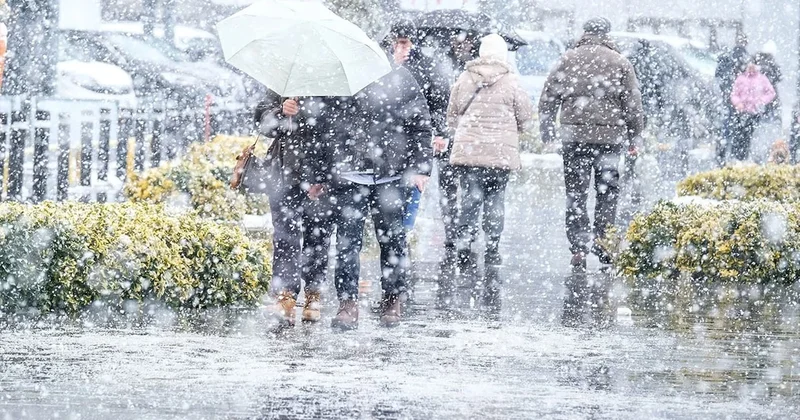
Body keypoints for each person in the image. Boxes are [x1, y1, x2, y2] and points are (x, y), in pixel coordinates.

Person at [307, 66, 433, 330]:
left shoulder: (399, 77)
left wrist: (420, 168)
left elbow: (420, 125)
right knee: (347, 243)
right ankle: (347, 303)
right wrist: (320, 173)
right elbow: (323, 128)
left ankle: (392, 298)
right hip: (349, 177)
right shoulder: (338, 79)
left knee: (393, 241)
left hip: (391, 176)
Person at [538, 17, 644, 272]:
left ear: (585, 32)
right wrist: (634, 137)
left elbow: (548, 97)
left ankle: (578, 248)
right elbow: (632, 103)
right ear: (607, 34)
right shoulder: (620, 62)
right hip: (609, 139)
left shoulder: (568, 59)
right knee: (607, 194)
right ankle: (605, 246)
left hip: (574, 139)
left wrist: (548, 133)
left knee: (576, 194)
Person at [445, 34, 533, 306]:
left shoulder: (465, 77)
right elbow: (526, 116)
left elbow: (452, 113)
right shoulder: (511, 79)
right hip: (500, 153)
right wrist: (512, 129)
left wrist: (463, 129)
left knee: (470, 198)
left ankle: (464, 243)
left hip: (470, 151)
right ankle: (492, 245)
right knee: (496, 199)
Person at [253, 94, 344, 328]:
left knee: (318, 236)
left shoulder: (330, 87)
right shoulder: (283, 80)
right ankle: (285, 295)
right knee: (284, 236)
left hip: (316, 176)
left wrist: (323, 176)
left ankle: (314, 295)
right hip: (283, 174)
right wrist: (280, 112)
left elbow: (337, 130)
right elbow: (263, 124)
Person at [729, 62, 776, 161]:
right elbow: (734, 94)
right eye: (749, 66)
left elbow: (771, 92)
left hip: (756, 113)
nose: (751, 69)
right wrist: (738, 103)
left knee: (754, 137)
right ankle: (740, 158)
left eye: (753, 66)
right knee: (740, 137)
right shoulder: (741, 79)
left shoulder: (762, 79)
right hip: (742, 113)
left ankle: (753, 159)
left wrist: (761, 101)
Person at [714, 34, 750, 165]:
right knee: (738, 130)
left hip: (727, 98)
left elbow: (718, 78)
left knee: (726, 129)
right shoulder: (744, 57)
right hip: (739, 100)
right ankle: (736, 157)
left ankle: (721, 157)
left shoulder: (727, 57)